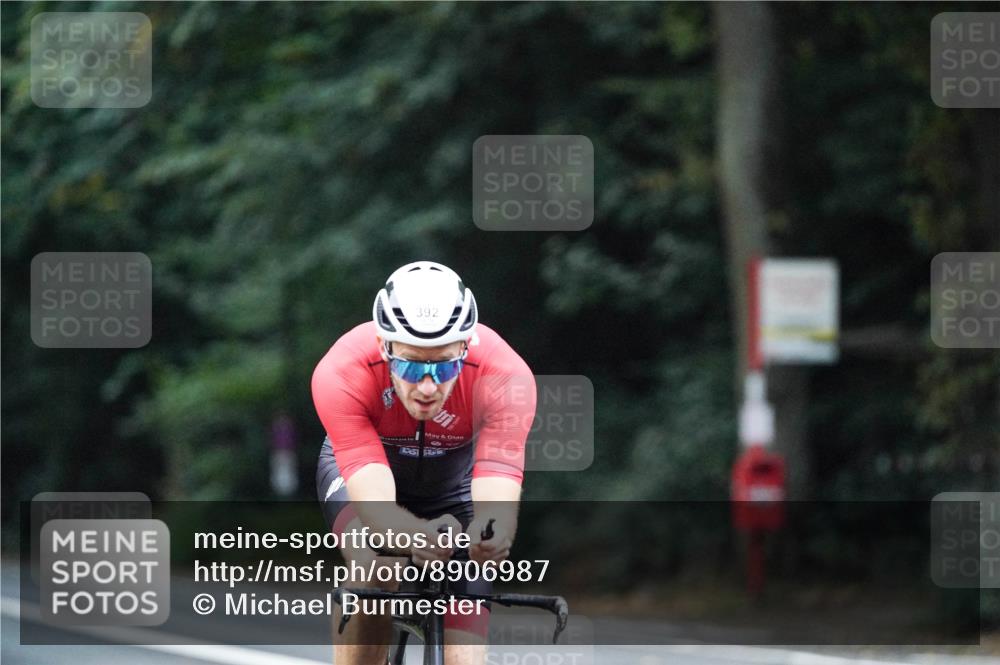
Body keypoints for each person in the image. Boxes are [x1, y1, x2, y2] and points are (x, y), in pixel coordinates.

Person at [313, 261, 536, 665]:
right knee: (374, 564)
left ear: (466, 349)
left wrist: (493, 531)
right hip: (365, 472)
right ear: (385, 347)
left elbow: (497, 479)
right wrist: (411, 534)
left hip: (456, 484)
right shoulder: (343, 370)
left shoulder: (505, 376)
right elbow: (375, 506)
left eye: (446, 365)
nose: (428, 386)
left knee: (465, 657)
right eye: (412, 365)